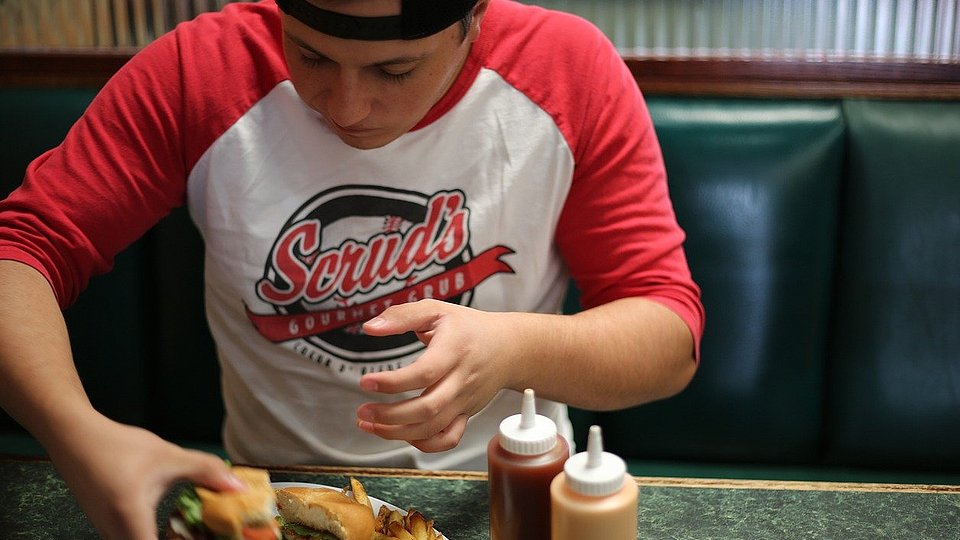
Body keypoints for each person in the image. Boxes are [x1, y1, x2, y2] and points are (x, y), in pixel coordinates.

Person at [0, 0, 704, 537]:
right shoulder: (200, 70)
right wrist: (77, 434)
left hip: (505, 498)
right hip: (276, 500)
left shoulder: (567, 70)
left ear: (473, 20)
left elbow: (667, 336)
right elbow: (22, 248)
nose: (346, 107)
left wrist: (512, 349)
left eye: (395, 70)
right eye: (308, 55)